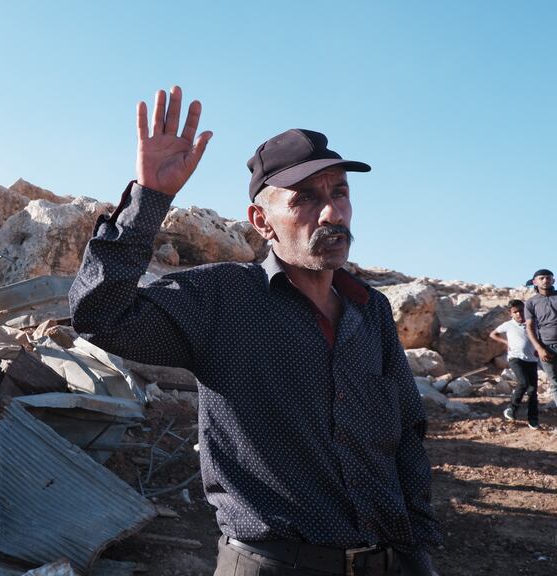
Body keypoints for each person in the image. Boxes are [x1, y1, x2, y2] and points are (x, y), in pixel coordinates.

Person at [69, 86, 440, 576]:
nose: (332, 212)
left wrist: (416, 547)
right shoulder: (221, 298)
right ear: (262, 221)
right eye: (306, 198)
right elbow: (99, 315)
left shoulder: (368, 310)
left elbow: (407, 433)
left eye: (339, 193)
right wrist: (151, 199)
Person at [490, 299, 540, 428]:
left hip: (532, 359)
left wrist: (538, 349)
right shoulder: (508, 325)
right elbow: (493, 334)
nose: (519, 314)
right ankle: (511, 409)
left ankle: (533, 419)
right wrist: (506, 343)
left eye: (521, 311)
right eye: (515, 312)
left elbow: (540, 337)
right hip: (515, 358)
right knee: (523, 382)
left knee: (533, 390)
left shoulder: (533, 324)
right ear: (511, 313)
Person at [524, 268, 557, 411]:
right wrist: (539, 348)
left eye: (548, 277)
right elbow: (529, 327)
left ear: (553, 280)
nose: (545, 280)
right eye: (542, 278)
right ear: (534, 282)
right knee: (555, 382)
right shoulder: (531, 303)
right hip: (547, 347)